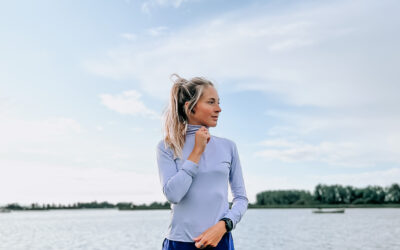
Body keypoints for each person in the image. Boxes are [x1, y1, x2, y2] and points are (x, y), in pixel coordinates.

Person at [156, 74, 248, 249]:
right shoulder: (167, 146)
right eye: (211, 102)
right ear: (190, 107)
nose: (219, 109)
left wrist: (224, 226)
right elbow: (173, 195)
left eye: (218, 102)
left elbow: (241, 198)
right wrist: (196, 152)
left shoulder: (228, 147)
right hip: (179, 243)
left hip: (220, 242)